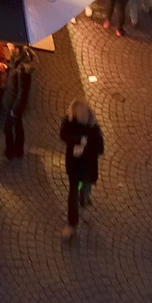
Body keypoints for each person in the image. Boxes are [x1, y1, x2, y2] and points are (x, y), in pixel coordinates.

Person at [60, 100, 104, 240]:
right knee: (73, 193)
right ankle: (72, 223)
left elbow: (100, 149)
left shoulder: (93, 128)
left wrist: (86, 147)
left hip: (86, 167)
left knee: (84, 189)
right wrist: (78, 141)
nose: (83, 120)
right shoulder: (69, 121)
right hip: (74, 166)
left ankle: (84, 204)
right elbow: (63, 135)